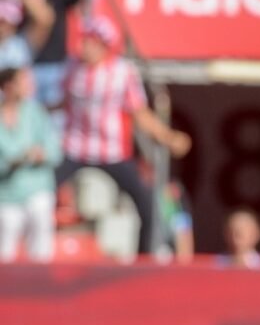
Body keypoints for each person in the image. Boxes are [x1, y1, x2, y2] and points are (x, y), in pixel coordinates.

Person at [56, 15, 192, 255]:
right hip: (75, 148)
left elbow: (140, 113)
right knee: (39, 191)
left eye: (90, 42)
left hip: (113, 153)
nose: (84, 47)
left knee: (147, 204)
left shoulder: (122, 72)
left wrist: (169, 137)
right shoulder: (72, 67)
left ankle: (144, 258)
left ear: (103, 45)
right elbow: (61, 104)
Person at [0, 67, 62, 262]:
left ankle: (42, 289)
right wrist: (12, 163)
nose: (29, 86)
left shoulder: (36, 113)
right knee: (5, 249)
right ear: (9, 86)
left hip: (37, 189)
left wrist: (39, 155)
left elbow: (55, 151)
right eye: (24, 81)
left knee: (41, 242)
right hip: (6, 194)